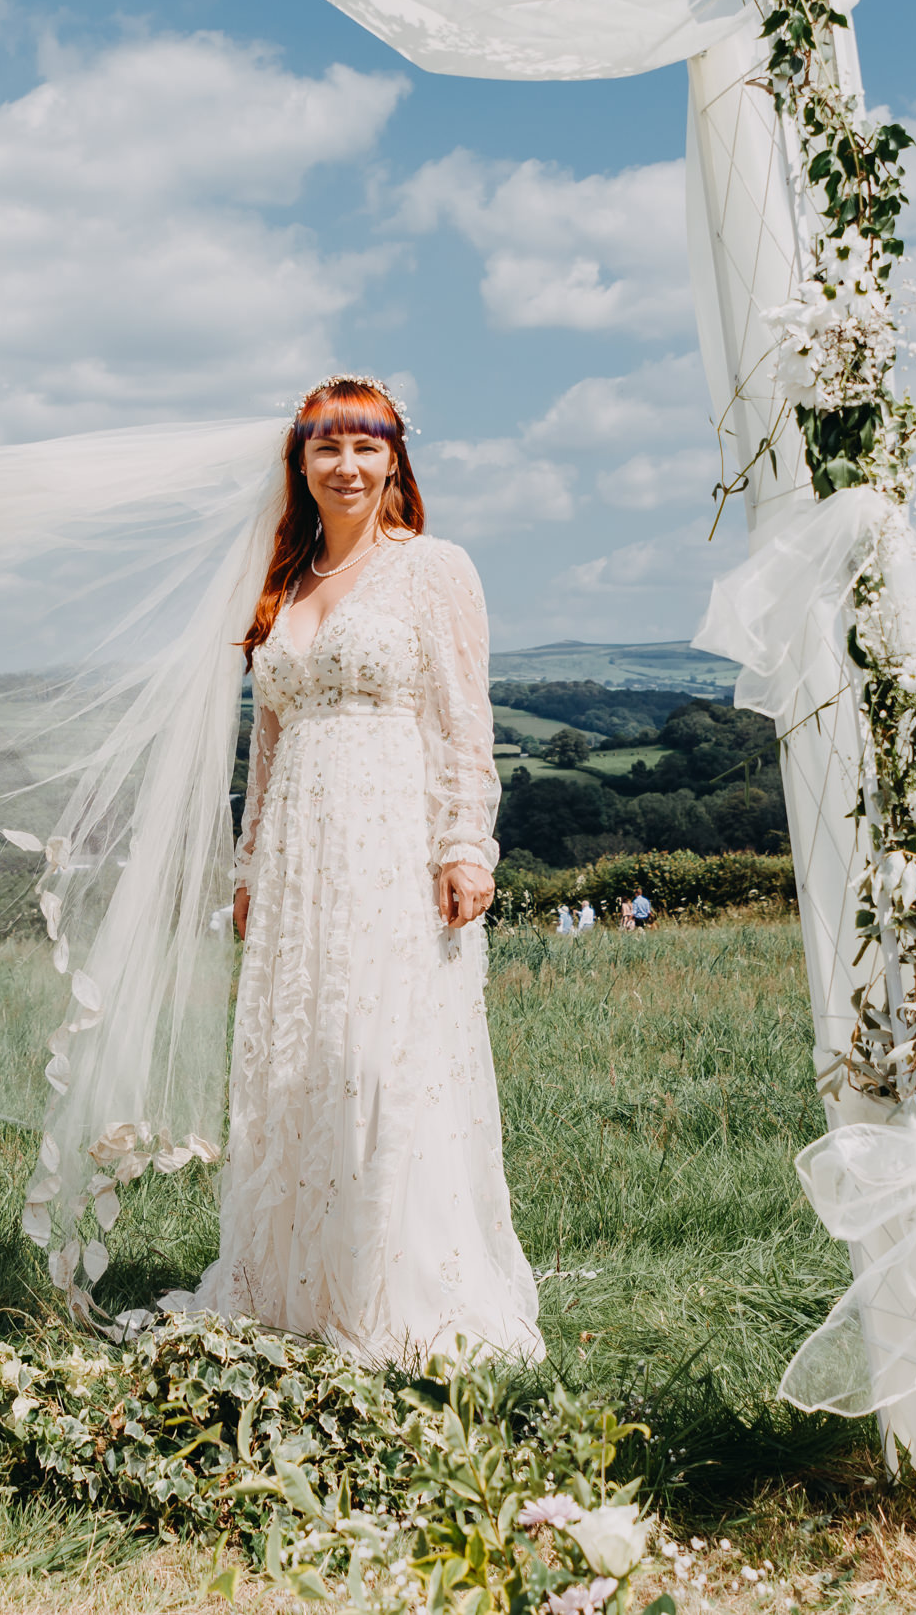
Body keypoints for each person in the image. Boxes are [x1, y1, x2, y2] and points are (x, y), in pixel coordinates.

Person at [183, 375, 544, 1366]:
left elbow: (463, 715)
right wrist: (250, 862)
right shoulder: (282, 581)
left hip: (390, 839)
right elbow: (266, 736)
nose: (347, 466)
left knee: (380, 1050)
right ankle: (296, 1284)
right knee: (294, 1054)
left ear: (395, 460)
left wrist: (466, 840)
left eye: (366, 447)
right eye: (326, 449)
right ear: (299, 465)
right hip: (298, 846)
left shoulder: (435, 569)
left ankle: (397, 1280)